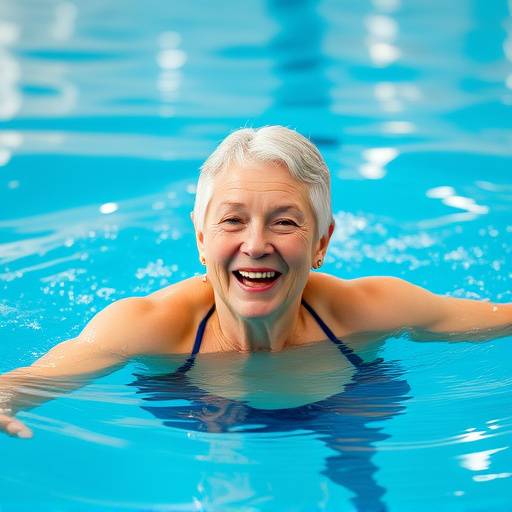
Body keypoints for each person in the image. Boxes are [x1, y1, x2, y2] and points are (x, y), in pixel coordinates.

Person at [1, 125, 510, 441]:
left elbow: (495, 319)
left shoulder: (369, 310)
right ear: (201, 239)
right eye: (232, 221)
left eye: (285, 222)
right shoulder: (147, 327)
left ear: (322, 242)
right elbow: (29, 380)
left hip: (345, 399)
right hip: (195, 406)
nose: (256, 244)